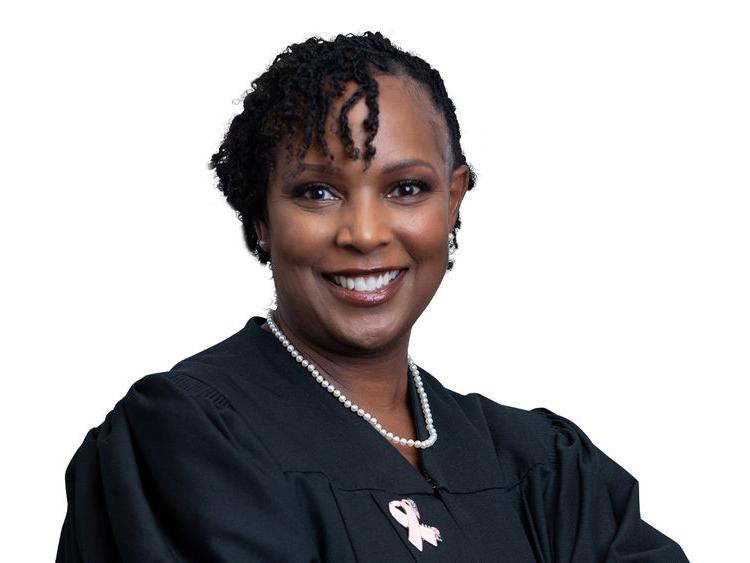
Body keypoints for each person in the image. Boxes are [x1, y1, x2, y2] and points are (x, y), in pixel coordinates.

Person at [56, 32, 689, 562]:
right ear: (261, 218)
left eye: (406, 189)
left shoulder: (544, 470)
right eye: (317, 192)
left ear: (453, 199)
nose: (364, 233)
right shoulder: (185, 440)